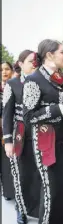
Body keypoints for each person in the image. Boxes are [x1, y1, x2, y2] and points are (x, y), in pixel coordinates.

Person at [22, 39, 63, 224]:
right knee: (51, 190)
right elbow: (28, 117)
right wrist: (57, 110)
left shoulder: (62, 77)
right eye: (61, 52)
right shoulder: (34, 80)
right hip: (45, 144)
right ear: (50, 55)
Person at [2, 50, 41, 224]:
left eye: (36, 61)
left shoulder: (42, 81)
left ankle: (40, 208)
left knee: (39, 174)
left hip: (40, 135)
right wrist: (8, 140)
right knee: (19, 173)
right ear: (21, 63)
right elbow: (7, 114)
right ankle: (21, 209)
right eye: (31, 61)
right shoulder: (12, 83)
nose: (34, 64)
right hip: (19, 136)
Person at [1, 62, 16, 202]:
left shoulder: (15, 86)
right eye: (1, 70)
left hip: (10, 130)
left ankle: (10, 191)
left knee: (8, 162)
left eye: (7, 69)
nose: (4, 72)